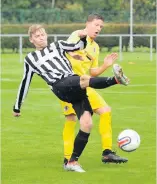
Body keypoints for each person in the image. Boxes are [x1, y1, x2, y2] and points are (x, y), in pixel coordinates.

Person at [13, 24, 129, 173]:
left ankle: (72, 162)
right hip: (60, 85)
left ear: (46, 35)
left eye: (42, 35)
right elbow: (25, 82)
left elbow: (78, 46)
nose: (41, 38)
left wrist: (82, 36)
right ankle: (116, 80)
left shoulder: (58, 45)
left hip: (73, 85)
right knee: (84, 79)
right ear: (31, 40)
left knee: (87, 124)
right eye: (37, 36)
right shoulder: (30, 58)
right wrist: (17, 107)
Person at [61, 14, 128, 169]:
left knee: (105, 111)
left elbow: (93, 72)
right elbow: (70, 45)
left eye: (101, 27)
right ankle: (67, 159)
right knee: (71, 119)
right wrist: (80, 37)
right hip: (68, 84)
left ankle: (107, 152)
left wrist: (105, 65)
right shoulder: (76, 35)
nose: (98, 29)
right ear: (88, 24)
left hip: (85, 84)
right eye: (96, 25)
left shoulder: (95, 47)